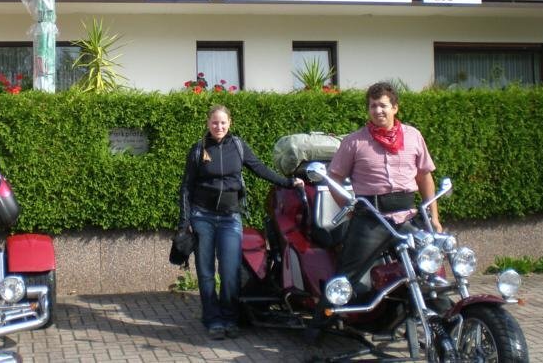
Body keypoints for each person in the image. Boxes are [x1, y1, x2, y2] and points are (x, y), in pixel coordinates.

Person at [307, 81, 443, 342]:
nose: (378, 110)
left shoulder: (413, 136)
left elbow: (424, 176)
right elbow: (334, 177)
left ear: (395, 107)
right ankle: (318, 325)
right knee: (347, 275)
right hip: (371, 219)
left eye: (383, 105)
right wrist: (348, 206)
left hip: (406, 217)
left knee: (430, 267)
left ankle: (441, 322)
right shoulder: (354, 141)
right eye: (372, 106)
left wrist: (433, 217)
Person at [178, 105, 303, 340]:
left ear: (229, 123)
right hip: (202, 217)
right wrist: (185, 222)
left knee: (230, 271)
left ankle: (229, 317)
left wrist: (288, 183)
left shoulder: (238, 146)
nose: (219, 127)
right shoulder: (198, 149)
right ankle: (212, 319)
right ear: (208, 123)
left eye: (223, 123)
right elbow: (186, 187)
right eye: (215, 122)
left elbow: (259, 168)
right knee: (205, 272)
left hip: (230, 218)